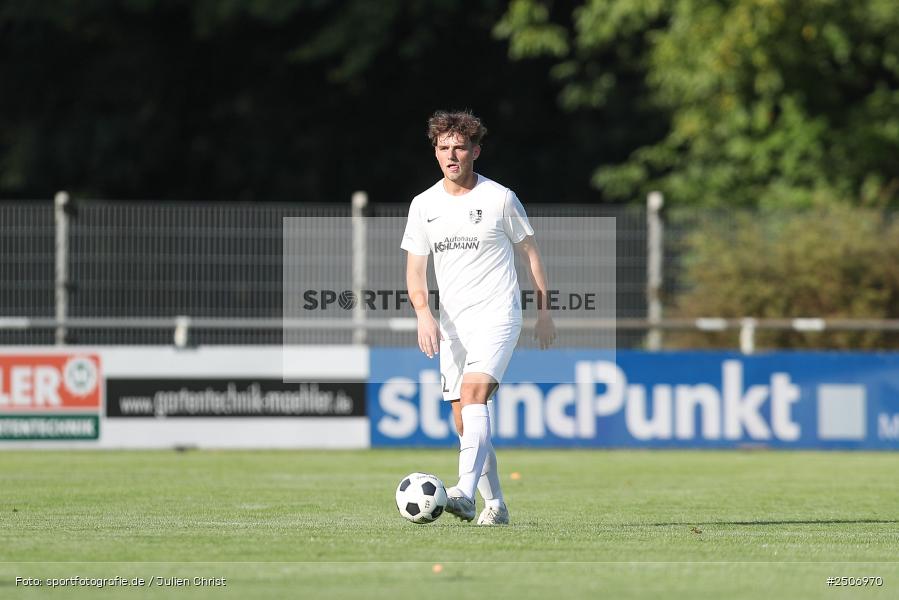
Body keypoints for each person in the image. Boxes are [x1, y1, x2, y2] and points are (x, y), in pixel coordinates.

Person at [401, 110, 555, 525]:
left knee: (473, 398)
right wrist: (423, 315)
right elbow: (415, 271)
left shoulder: (499, 197)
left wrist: (544, 312)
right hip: (452, 325)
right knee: (462, 419)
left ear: (475, 151)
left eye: (460, 147)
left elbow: (531, 254)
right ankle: (496, 505)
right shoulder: (424, 205)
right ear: (435, 153)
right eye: (444, 148)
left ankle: (464, 494)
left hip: (498, 314)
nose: (452, 155)